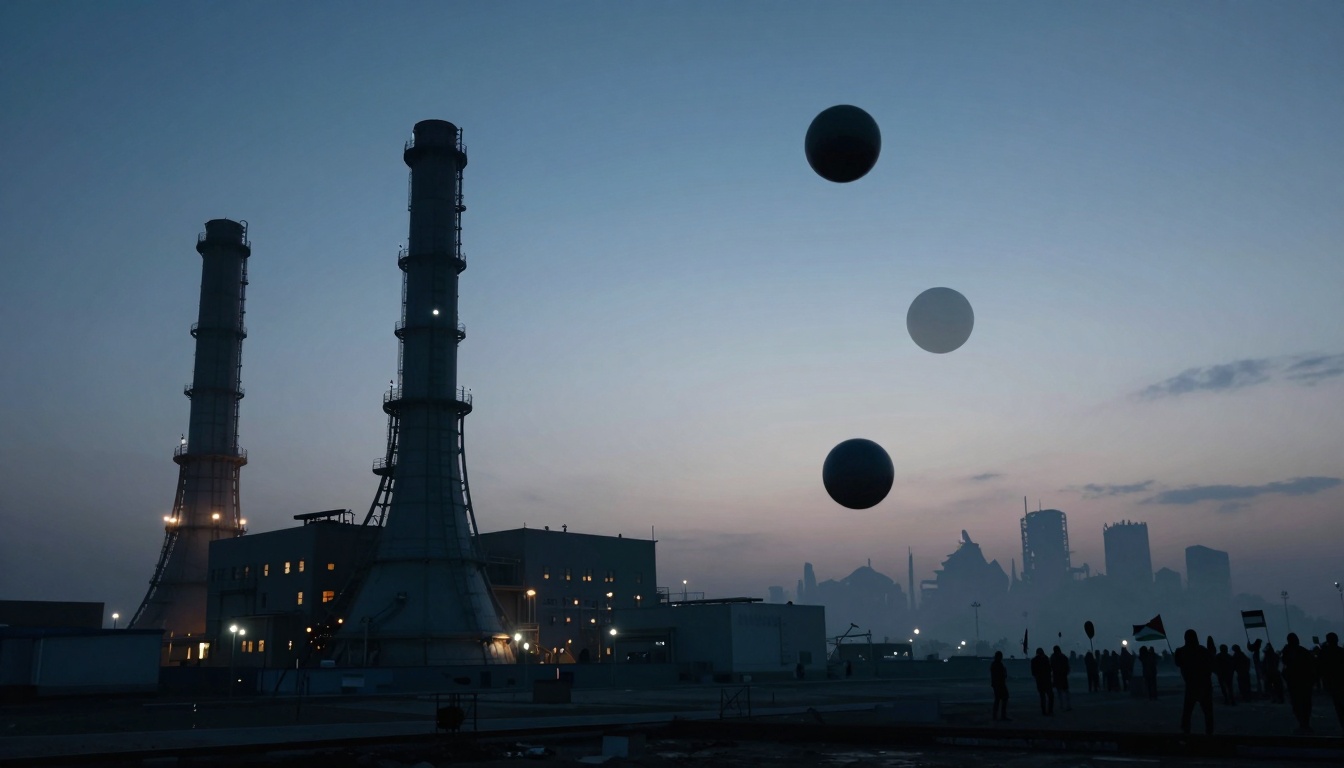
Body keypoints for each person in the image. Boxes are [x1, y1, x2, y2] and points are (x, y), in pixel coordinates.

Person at [1174, 628, 1214, 735]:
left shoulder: (1181, 651)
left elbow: (1178, 663)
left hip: (1192, 685)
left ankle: (1186, 731)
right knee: (1207, 712)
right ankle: (1209, 732)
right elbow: (1210, 663)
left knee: (1188, 711)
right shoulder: (1203, 651)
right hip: (1204, 685)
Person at [1281, 633, 1317, 733]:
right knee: (1304, 703)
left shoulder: (1289, 651)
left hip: (1296, 682)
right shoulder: (1302, 651)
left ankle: (1303, 723)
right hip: (1302, 682)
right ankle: (1305, 723)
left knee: (1299, 704)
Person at [1316, 632, 1344, 730]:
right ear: (1337, 640)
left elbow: (1319, 665)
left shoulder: (1325, 653)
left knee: (1339, 707)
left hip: (1333, 683)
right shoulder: (1341, 651)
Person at [1031, 647, 1054, 715]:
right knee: (1050, 696)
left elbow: (1033, 672)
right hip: (1047, 680)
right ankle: (1050, 710)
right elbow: (1050, 669)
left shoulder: (1034, 660)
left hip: (1040, 680)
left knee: (1042, 696)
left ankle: (1044, 711)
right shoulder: (1046, 658)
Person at [990, 650, 1010, 721]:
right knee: (1003, 699)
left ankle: (996, 716)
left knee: (998, 700)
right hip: (1000, 684)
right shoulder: (998, 665)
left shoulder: (994, 664)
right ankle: (1002, 716)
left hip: (997, 684)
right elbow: (1001, 675)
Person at [1051, 645, 1071, 711]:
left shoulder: (1053, 657)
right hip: (1063, 676)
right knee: (1065, 691)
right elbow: (1067, 666)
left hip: (1057, 676)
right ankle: (1067, 705)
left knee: (1059, 692)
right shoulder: (1063, 657)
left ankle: (1062, 705)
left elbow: (1051, 667)